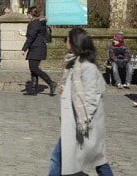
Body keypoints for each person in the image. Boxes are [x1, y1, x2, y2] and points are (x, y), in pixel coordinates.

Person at [47, 27, 113, 176]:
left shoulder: (87, 67)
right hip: (75, 124)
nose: (66, 43)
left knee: (61, 159)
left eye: (68, 40)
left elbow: (90, 97)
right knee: (95, 161)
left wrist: (83, 123)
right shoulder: (74, 64)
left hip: (83, 124)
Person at [22, 6, 57, 96]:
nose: (27, 15)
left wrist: (24, 49)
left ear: (31, 14)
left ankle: (51, 83)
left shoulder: (34, 23)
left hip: (36, 48)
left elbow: (31, 37)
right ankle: (33, 90)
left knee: (34, 68)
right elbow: (34, 35)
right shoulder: (39, 23)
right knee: (33, 68)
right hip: (39, 47)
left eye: (28, 13)